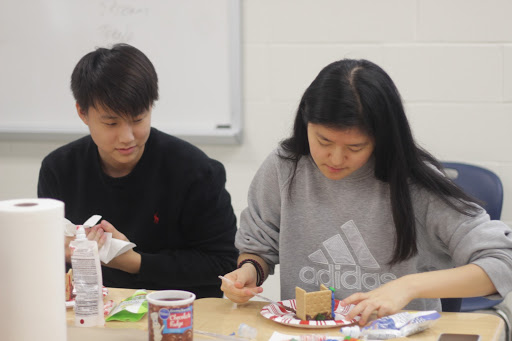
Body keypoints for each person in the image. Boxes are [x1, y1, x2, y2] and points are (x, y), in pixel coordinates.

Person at [220, 59, 512, 324]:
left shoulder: (416, 184)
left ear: (380, 139)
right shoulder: (286, 167)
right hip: (309, 332)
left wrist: (406, 286)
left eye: (354, 147)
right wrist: (247, 272)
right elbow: (259, 246)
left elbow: (501, 263)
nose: (335, 158)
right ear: (305, 123)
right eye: (323, 140)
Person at [38, 43, 238, 298]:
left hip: (179, 317)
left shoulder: (194, 171)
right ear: (82, 113)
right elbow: (46, 261)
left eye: (138, 119)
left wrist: (132, 262)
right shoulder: (59, 170)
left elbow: (224, 265)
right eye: (111, 123)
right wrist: (60, 251)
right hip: (92, 314)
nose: (127, 137)